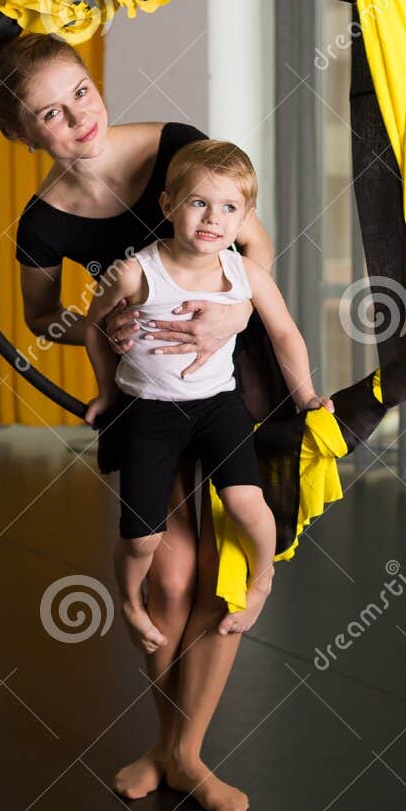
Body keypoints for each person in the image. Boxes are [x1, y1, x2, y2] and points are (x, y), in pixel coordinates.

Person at [0, 34, 269, 811]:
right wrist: (100, 325)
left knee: (225, 568)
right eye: (49, 111)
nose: (77, 115)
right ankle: (167, 745)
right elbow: (42, 318)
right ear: (24, 133)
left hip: (227, 383)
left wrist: (233, 315)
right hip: (146, 399)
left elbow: (252, 239)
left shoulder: (175, 146)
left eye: (79, 89)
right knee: (170, 577)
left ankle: (184, 753)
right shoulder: (44, 222)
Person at [84, 140, 331, 650]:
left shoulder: (246, 274)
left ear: (245, 219)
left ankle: (261, 579)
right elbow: (92, 327)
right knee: (141, 538)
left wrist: (306, 396)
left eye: (229, 208)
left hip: (217, 407)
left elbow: (285, 333)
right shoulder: (135, 273)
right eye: (198, 202)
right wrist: (106, 391)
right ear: (168, 204)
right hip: (149, 411)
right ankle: (130, 600)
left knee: (248, 507)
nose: (211, 218)